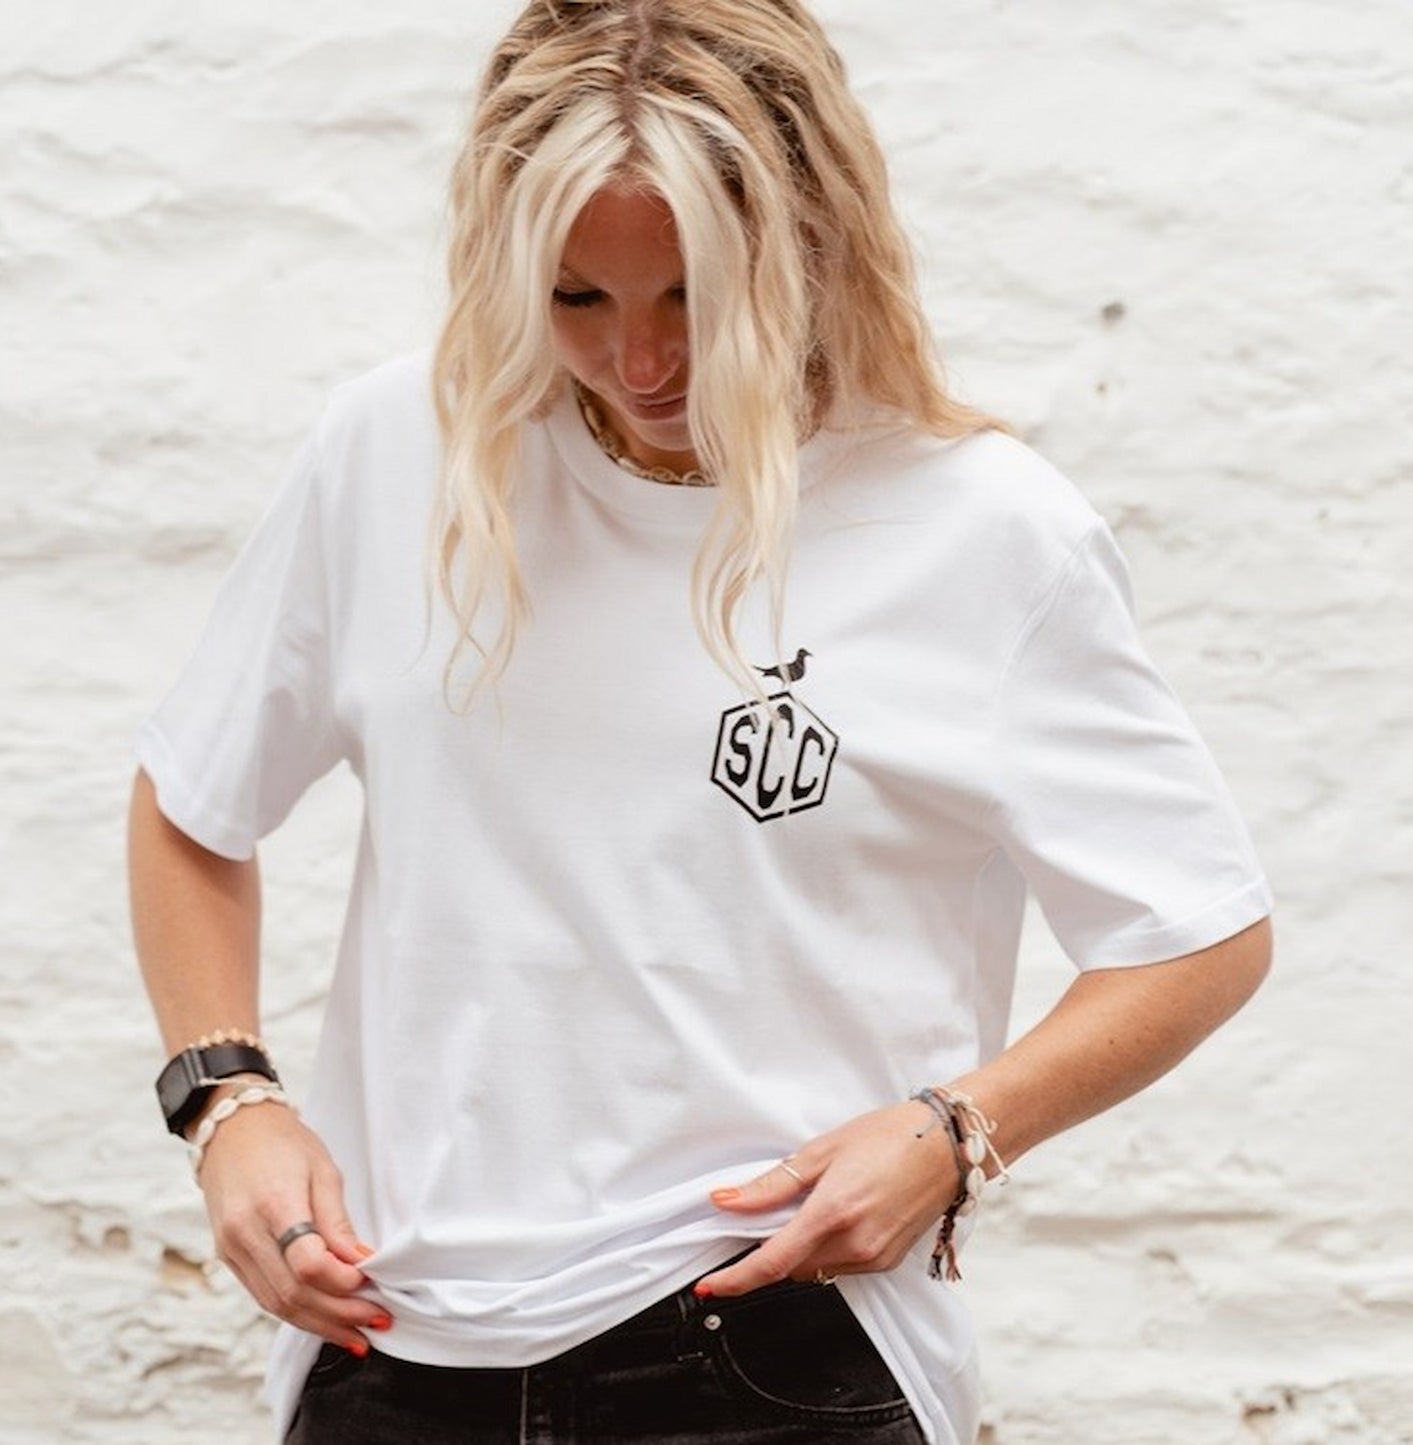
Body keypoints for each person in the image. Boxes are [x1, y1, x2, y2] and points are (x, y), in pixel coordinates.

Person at [127, 1, 1274, 1441]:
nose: (644, 361)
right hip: (390, 1345)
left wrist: (954, 1133)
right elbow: (190, 803)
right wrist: (228, 1104)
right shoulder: (393, 454)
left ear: (813, 238)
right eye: (576, 299)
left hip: (773, 1344)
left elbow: (1196, 931)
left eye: (691, 294)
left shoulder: (982, 532)